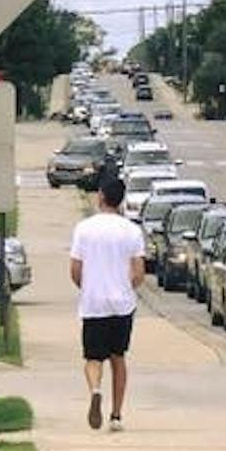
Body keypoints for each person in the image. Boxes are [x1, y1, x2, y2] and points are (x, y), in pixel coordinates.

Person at [69, 175, 145, 432]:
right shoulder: (132, 231)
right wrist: (125, 287)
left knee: (93, 358)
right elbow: (139, 273)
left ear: (100, 196)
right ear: (121, 200)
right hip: (121, 303)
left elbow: (75, 269)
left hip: (94, 303)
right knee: (118, 357)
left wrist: (87, 286)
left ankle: (95, 390)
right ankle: (116, 415)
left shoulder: (84, 229)